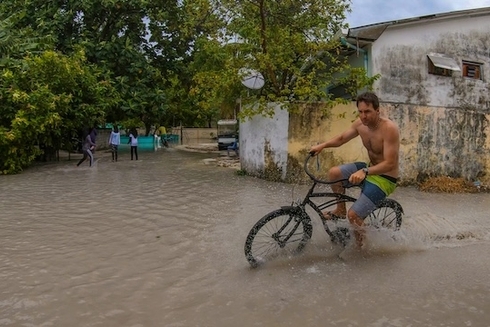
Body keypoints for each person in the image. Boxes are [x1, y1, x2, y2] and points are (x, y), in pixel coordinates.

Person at [309, 91, 400, 249]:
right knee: (334, 173)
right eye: (361, 112)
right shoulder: (360, 125)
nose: (363, 116)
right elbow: (341, 139)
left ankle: (362, 249)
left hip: (385, 178)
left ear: (378, 111)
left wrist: (364, 172)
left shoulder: (389, 129)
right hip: (369, 169)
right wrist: (322, 146)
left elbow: (390, 164)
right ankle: (340, 210)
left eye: (368, 112)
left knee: (354, 216)